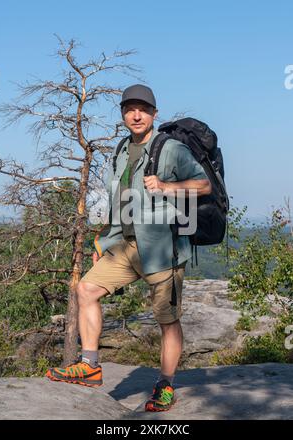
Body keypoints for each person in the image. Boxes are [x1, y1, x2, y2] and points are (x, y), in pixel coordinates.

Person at [46, 84, 211, 412]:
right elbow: (117, 200)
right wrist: (104, 240)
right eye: (129, 109)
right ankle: (90, 366)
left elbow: (203, 184)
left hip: (164, 247)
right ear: (123, 114)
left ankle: (165, 385)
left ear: (154, 113)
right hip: (127, 244)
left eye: (143, 109)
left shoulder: (171, 148)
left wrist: (166, 185)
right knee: (86, 290)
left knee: (166, 319)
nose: (136, 115)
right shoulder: (121, 149)